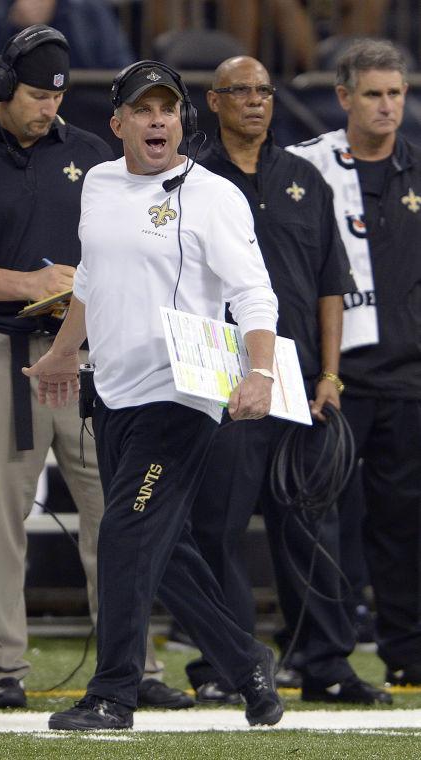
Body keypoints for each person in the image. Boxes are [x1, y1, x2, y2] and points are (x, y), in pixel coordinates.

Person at [23, 59, 284, 731]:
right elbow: (90, 282)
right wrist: (62, 352)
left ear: (183, 121)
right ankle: (247, 662)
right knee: (161, 550)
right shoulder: (102, 185)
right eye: (142, 109)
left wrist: (260, 373)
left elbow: (253, 293)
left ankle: (114, 694)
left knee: (125, 537)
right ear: (119, 124)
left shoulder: (215, 197)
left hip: (182, 396)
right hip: (112, 395)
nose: (157, 118)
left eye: (167, 108)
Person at [0, 26, 188, 711]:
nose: (48, 109)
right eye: (33, 96)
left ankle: (131, 664)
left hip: (91, 356)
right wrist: (32, 283)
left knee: (117, 512)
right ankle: (3, 672)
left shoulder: (93, 158)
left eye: (56, 97)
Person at [184, 55, 392, 706]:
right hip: (221, 371)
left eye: (264, 92)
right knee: (218, 525)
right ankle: (227, 665)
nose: (255, 102)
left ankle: (324, 662)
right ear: (214, 102)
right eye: (240, 92)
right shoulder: (188, 181)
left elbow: (333, 284)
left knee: (310, 522)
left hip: (298, 376)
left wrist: (330, 373)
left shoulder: (304, 178)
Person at [287, 38, 421, 688]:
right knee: (321, 520)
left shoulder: (419, 172)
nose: (387, 106)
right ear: (343, 98)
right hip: (331, 378)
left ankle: (408, 650)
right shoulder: (307, 171)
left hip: (407, 379)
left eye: (396, 93)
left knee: (404, 524)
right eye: (373, 93)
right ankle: (322, 652)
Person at [0, 0, 134, 69]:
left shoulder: (90, 10)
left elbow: (119, 67)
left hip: (84, 109)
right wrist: (15, 28)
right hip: (20, 112)